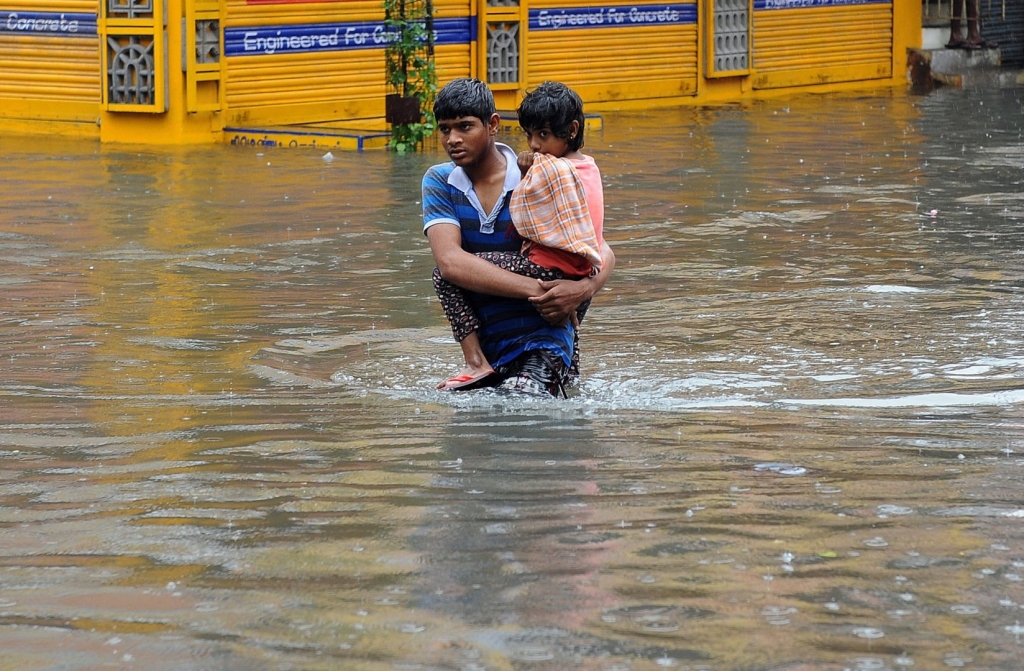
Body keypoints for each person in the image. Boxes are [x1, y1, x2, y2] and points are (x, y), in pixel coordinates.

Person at [421, 78, 614, 397]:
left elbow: (597, 246)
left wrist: (581, 290)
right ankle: (475, 363)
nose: (453, 139)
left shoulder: (543, 175)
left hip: (546, 344)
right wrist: (547, 293)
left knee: (523, 417)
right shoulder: (440, 181)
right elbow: (450, 263)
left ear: (493, 124)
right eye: (445, 129)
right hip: (492, 351)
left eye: (465, 127)